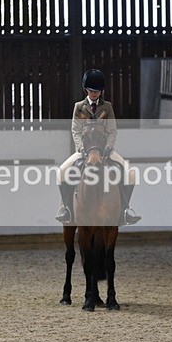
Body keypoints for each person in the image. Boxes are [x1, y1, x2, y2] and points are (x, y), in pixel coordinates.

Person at [56, 69, 141, 225]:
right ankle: (66, 209)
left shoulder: (107, 107)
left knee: (130, 173)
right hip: (84, 150)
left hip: (104, 150)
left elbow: (112, 130)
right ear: (86, 90)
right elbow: (76, 130)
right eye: (91, 91)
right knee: (61, 171)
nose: (94, 94)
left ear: (101, 91)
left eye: (97, 91)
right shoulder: (79, 107)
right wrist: (81, 148)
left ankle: (125, 210)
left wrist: (108, 147)